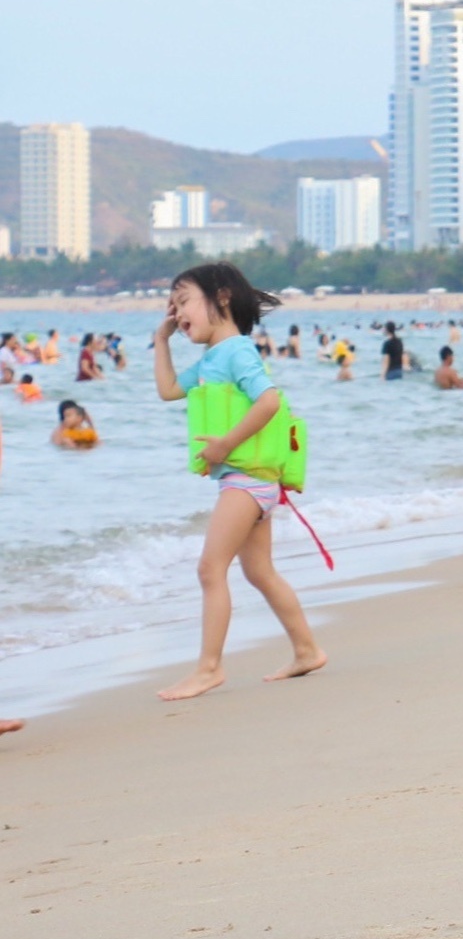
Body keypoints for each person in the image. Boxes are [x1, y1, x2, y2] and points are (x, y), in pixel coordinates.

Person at [151, 262, 327, 701]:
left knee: (210, 569)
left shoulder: (236, 352)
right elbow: (168, 389)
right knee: (259, 571)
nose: (178, 312)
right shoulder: (212, 359)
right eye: (173, 305)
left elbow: (268, 401)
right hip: (254, 482)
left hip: (245, 481)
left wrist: (225, 445)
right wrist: (161, 340)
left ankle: (209, 668)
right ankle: (307, 650)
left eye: (184, 300)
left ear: (222, 297)